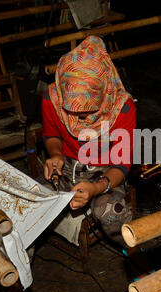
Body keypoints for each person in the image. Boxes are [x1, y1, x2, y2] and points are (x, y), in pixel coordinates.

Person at [41, 35, 136, 249]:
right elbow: (51, 134)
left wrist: (95, 188)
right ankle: (18, 274)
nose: (80, 120)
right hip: (66, 165)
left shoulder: (123, 108)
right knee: (28, 204)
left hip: (106, 170)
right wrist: (55, 154)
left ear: (103, 93)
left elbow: (122, 164)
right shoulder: (51, 98)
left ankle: (136, 258)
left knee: (111, 213)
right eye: (72, 112)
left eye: (88, 112)